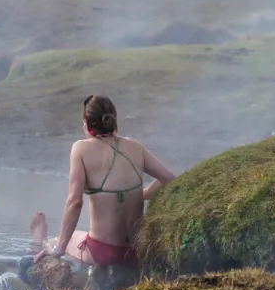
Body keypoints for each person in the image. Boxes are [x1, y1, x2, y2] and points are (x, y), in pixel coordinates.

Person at [31, 94, 177, 280]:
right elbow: (170, 179)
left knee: (63, 239)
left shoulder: (80, 149)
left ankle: (41, 242)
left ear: (86, 123)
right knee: (75, 236)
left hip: (102, 253)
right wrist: (144, 194)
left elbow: (75, 202)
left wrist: (60, 247)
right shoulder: (136, 147)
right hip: (136, 253)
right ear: (114, 121)